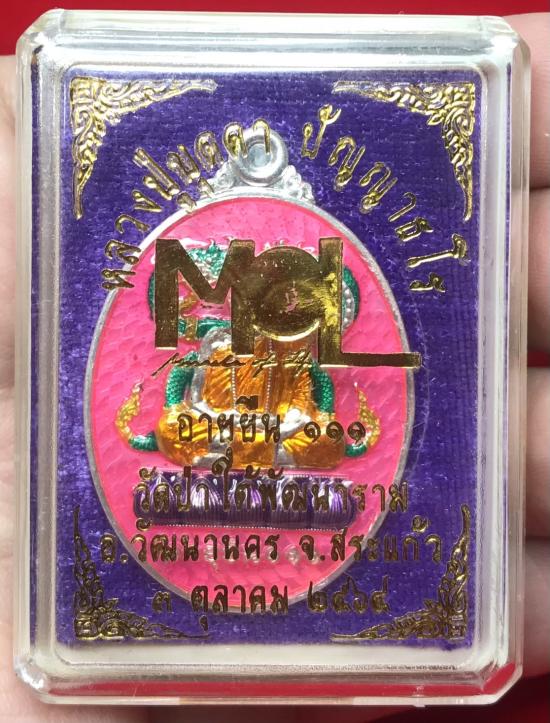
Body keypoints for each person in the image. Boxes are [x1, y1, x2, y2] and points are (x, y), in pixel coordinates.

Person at [0, 12, 547, 722]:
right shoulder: (202, 358)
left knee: (314, 443)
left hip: (288, 464)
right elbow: (173, 417)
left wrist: (307, 434)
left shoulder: (301, 366)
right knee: (192, 437)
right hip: (211, 475)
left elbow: (325, 424)